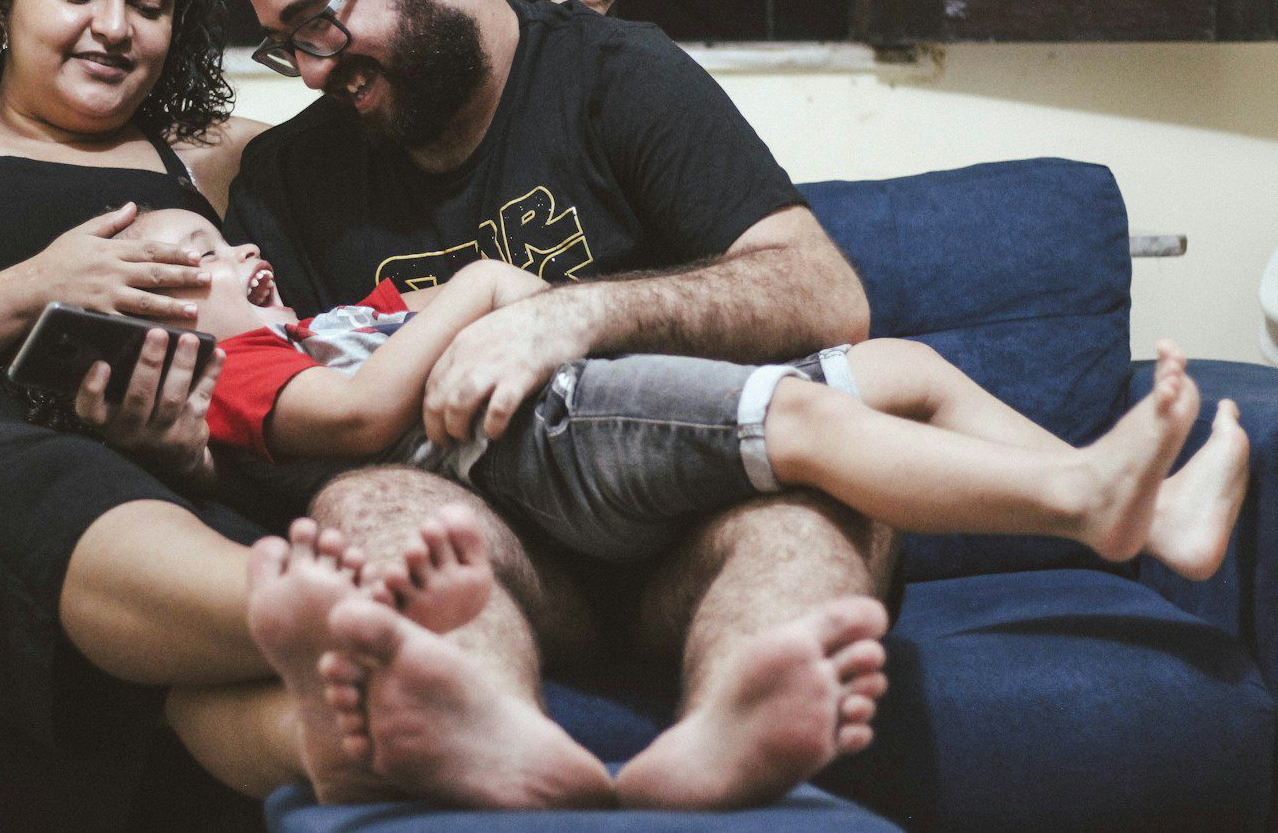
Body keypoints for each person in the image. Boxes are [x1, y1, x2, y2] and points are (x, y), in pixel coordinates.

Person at [0, 0, 650, 823]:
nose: (114, 25)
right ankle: (364, 617)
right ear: (3, 0)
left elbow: (430, 119)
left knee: (178, 668)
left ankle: (382, 740)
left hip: (165, 494)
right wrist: (37, 286)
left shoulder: (219, 160)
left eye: (149, 3)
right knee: (69, 489)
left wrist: (569, 16)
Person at [195, 0, 894, 811]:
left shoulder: (615, 75)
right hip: (494, 547)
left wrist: (572, 312)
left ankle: (730, 755)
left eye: (320, 24)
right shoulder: (292, 178)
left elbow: (822, 288)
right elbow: (293, 414)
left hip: (696, 523)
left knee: (818, 507)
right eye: (284, 41)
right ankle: (488, 757)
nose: (308, 71)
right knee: (364, 506)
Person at [126, 205, 1249, 578]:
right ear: (158, 322)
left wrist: (495, 299)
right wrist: (479, 285)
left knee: (904, 369)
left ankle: (1152, 518)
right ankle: (1085, 503)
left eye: (227, 235)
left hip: (585, 395)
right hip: (546, 444)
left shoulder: (328, 322)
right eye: (197, 260)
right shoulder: (232, 374)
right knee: (801, 421)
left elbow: (520, 304)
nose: (240, 248)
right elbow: (364, 415)